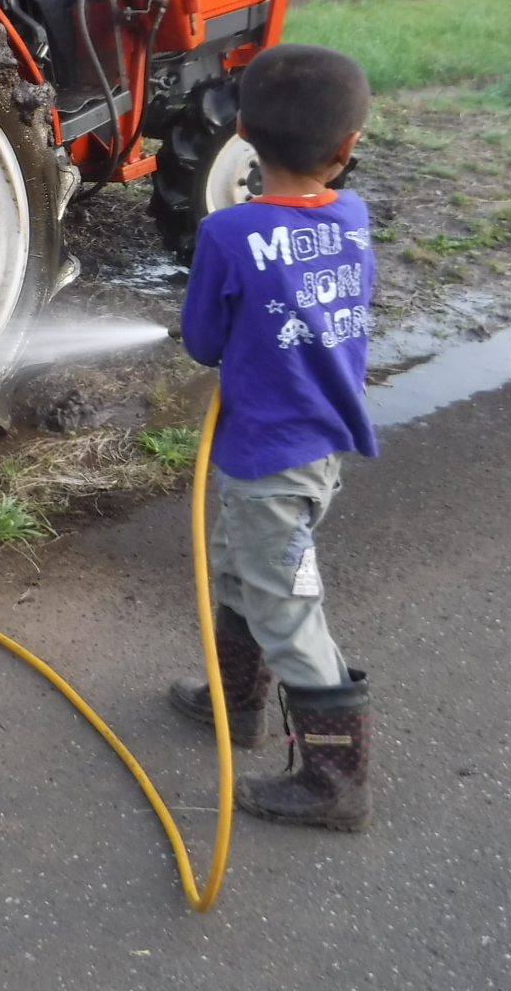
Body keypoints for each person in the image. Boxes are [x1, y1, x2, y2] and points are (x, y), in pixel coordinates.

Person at [168, 42, 378, 832]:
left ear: (243, 130)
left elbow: (202, 343)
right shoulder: (353, 218)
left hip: (269, 469)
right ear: (346, 146)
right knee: (236, 571)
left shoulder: (229, 234)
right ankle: (235, 705)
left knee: (288, 609)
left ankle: (336, 780)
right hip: (311, 452)